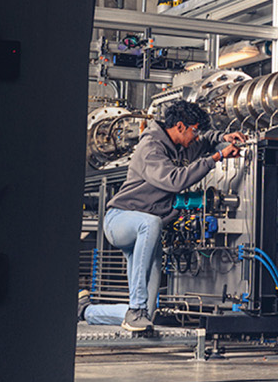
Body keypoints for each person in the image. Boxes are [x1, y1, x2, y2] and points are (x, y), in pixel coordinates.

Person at [80, 101, 244, 331]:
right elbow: (175, 180)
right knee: (150, 223)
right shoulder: (151, 147)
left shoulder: (182, 145)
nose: (196, 137)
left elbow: (205, 139)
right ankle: (136, 309)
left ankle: (87, 311)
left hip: (148, 230)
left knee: (148, 314)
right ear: (180, 126)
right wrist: (215, 158)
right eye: (194, 131)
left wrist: (223, 137)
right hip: (121, 219)